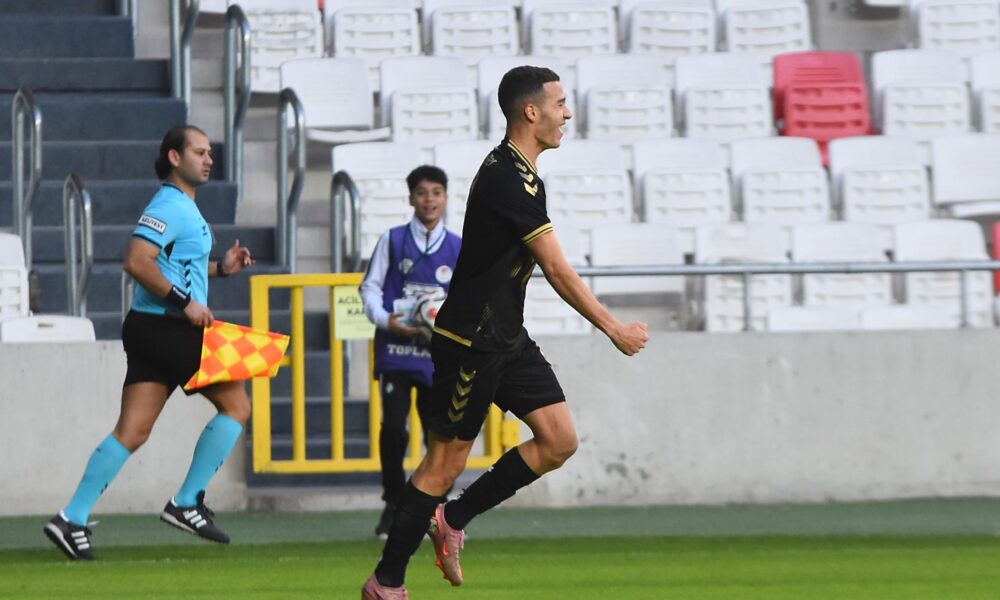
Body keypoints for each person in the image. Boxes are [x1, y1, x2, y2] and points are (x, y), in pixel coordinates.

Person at [361, 66, 649, 599]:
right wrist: (613, 328)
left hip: (505, 336)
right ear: (531, 111)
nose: (567, 113)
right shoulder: (506, 179)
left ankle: (452, 519)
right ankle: (386, 582)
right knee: (442, 464)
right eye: (560, 104)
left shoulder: (522, 173)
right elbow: (557, 269)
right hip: (471, 342)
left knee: (559, 440)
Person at [43, 124, 255, 561]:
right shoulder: (169, 205)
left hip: (150, 326)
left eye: (209, 153)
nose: (208, 159)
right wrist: (185, 304)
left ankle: (71, 519)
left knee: (132, 431)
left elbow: (173, 264)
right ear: (174, 157)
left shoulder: (183, 207)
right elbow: (137, 261)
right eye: (199, 152)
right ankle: (186, 502)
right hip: (167, 327)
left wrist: (221, 268)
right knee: (237, 406)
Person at [359, 165, 462, 539]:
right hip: (396, 348)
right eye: (421, 192)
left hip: (437, 357)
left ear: (446, 198)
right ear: (410, 198)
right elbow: (369, 287)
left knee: (439, 433)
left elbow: (465, 298)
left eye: (436, 192)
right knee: (393, 429)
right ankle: (392, 503)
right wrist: (386, 319)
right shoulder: (392, 240)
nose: (429, 200)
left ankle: (435, 507)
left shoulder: (458, 247)